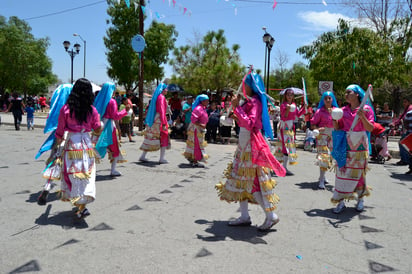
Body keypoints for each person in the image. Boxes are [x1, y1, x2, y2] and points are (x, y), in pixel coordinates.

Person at [216, 71, 286, 231]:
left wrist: (236, 108)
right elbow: (243, 121)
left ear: (250, 85)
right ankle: (245, 216)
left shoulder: (254, 102)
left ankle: (270, 216)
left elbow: (250, 123)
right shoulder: (248, 102)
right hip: (244, 144)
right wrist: (236, 113)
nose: (242, 86)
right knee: (242, 180)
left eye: (244, 83)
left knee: (252, 183)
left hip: (251, 146)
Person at [54, 78, 102, 218]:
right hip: (86, 144)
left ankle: (79, 205)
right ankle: (82, 205)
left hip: (71, 144)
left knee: (73, 174)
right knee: (86, 173)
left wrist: (57, 148)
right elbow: (97, 128)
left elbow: (60, 131)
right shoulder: (92, 110)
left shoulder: (66, 109)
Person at [331, 84, 374, 214]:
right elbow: (338, 128)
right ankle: (340, 201)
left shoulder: (366, 109)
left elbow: (370, 128)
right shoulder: (343, 110)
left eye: (348, 92)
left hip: (360, 145)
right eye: (345, 93)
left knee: (358, 173)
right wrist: (334, 119)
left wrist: (362, 117)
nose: (346, 95)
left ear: (356, 94)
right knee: (341, 172)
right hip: (346, 144)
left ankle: (360, 199)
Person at [36, 83, 73, 205]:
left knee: (55, 160)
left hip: (57, 136)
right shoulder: (71, 108)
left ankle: (48, 186)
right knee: (72, 163)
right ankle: (69, 189)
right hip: (70, 137)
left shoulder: (58, 107)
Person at [93, 82, 128, 176]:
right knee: (114, 148)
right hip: (109, 126)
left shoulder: (98, 100)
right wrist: (125, 111)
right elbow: (115, 116)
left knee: (95, 146)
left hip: (98, 125)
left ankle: (90, 169)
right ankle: (113, 170)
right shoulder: (112, 101)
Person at [273, 88, 306, 175]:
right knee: (284, 147)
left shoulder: (294, 105)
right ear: (285, 96)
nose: (289, 96)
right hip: (284, 127)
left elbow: (297, 115)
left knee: (288, 147)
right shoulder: (283, 105)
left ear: (293, 96)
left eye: (291, 95)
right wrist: (287, 109)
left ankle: (283, 167)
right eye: (288, 95)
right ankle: (280, 167)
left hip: (291, 127)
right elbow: (284, 117)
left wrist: (304, 108)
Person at [310, 91, 339, 189]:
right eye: (326, 98)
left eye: (329, 98)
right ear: (323, 100)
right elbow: (312, 124)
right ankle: (321, 180)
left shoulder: (337, 111)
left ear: (332, 99)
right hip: (322, 136)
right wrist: (318, 128)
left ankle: (323, 176)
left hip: (333, 136)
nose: (327, 100)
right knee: (324, 157)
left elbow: (340, 125)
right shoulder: (319, 112)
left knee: (330, 157)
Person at [139, 83, 170, 164]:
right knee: (163, 136)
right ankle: (161, 158)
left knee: (151, 136)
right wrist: (163, 122)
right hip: (160, 119)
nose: (167, 90)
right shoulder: (161, 97)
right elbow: (162, 110)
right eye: (166, 89)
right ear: (163, 90)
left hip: (156, 118)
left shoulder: (157, 97)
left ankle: (143, 156)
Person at [183, 94, 209, 167]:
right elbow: (194, 120)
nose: (208, 102)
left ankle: (195, 159)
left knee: (198, 144)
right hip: (196, 129)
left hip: (200, 129)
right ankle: (194, 161)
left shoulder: (202, 108)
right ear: (202, 101)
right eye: (206, 100)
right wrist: (201, 125)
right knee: (196, 144)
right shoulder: (198, 109)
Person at [391, 98, 412, 166]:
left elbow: (403, 119)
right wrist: (395, 123)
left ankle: (405, 160)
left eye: (405, 102)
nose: (404, 104)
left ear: (409, 102)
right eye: (403, 102)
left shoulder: (409, 109)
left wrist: (395, 124)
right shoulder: (407, 109)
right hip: (408, 130)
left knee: (402, 143)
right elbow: (401, 118)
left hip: (409, 131)